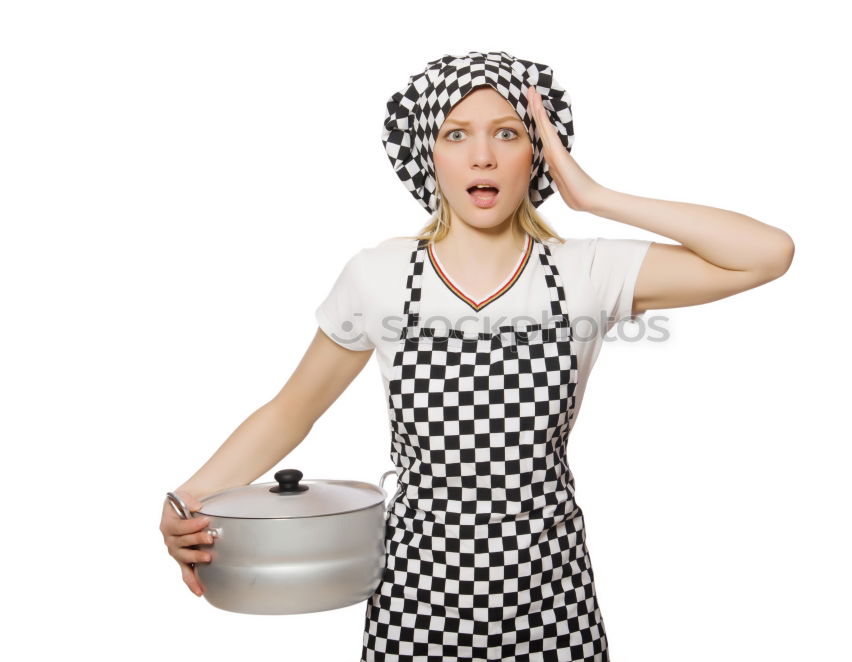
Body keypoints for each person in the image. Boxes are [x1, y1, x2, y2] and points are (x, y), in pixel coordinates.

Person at [160, 51, 794, 661]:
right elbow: (292, 409)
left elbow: (766, 254)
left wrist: (592, 194)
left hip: (552, 597)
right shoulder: (378, 276)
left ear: (537, 154)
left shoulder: (588, 271)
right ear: (427, 154)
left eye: (509, 133)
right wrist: (187, 498)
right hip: (415, 595)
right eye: (456, 133)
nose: (483, 155)